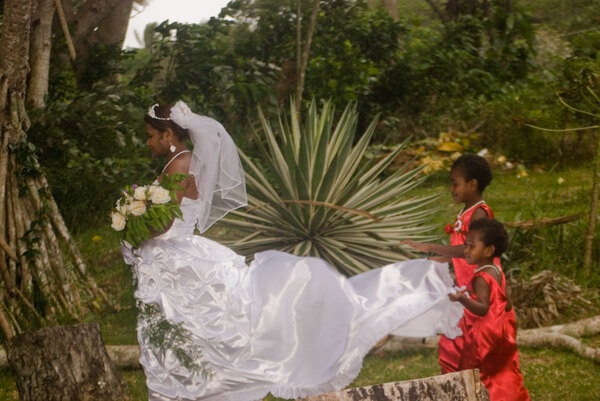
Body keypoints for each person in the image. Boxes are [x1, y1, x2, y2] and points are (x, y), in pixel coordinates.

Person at [121, 101, 465, 401]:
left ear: (168, 136)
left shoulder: (180, 165)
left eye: (151, 135)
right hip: (173, 258)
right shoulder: (179, 162)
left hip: (176, 255)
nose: (148, 141)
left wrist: (132, 230)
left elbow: (165, 223)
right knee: (189, 329)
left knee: (218, 326)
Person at [401, 153, 502, 374]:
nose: (451, 188)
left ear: (473, 184)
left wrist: (431, 247)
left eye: (455, 183)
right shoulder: (466, 212)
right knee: (453, 344)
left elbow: (472, 252)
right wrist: (445, 258)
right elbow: (464, 249)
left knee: (469, 348)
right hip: (463, 287)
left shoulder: (478, 214)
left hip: (476, 289)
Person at [449, 219, 530, 401]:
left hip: (482, 337)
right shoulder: (496, 270)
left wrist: (462, 298)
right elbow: (507, 304)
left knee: (473, 374)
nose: (466, 250)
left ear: (488, 250)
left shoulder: (481, 277)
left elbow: (483, 309)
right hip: (500, 332)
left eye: (471, 246)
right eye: (466, 245)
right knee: (500, 373)